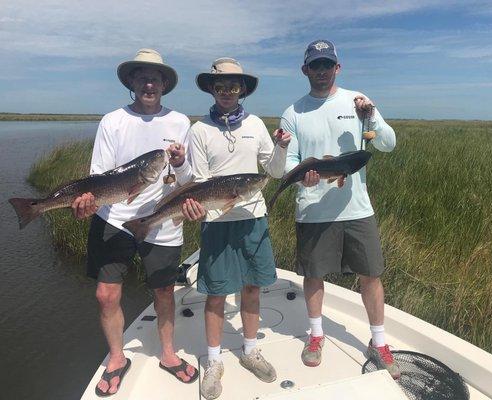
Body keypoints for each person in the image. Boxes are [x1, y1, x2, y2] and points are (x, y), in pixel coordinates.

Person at [72, 48, 202, 396]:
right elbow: (99, 176)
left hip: (162, 220)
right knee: (105, 295)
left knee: (163, 291)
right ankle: (117, 358)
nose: (149, 83)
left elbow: (187, 178)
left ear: (164, 84)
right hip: (113, 217)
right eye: (142, 77)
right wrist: (87, 202)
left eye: (155, 78)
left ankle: (169, 354)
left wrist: (180, 163)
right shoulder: (112, 121)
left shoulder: (180, 122)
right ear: (131, 81)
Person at [280, 40, 400, 378]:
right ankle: (316, 336)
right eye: (314, 65)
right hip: (313, 210)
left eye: (326, 65)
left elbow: (388, 144)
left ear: (337, 67)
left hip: (358, 209)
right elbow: (290, 162)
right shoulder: (294, 112)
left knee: (371, 274)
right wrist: (305, 178)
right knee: (313, 275)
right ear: (305, 70)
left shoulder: (357, 102)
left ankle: (379, 342)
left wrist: (372, 114)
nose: (321, 71)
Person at [186, 57, 290, 400]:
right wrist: (196, 208)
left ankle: (250, 350)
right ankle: (213, 361)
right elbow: (199, 181)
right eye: (220, 86)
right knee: (215, 293)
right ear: (212, 90)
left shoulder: (257, 124)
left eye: (233, 85)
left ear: (242, 89)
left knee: (252, 288)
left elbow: (273, 172)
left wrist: (282, 147)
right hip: (216, 222)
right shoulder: (200, 130)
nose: (227, 91)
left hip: (254, 219)